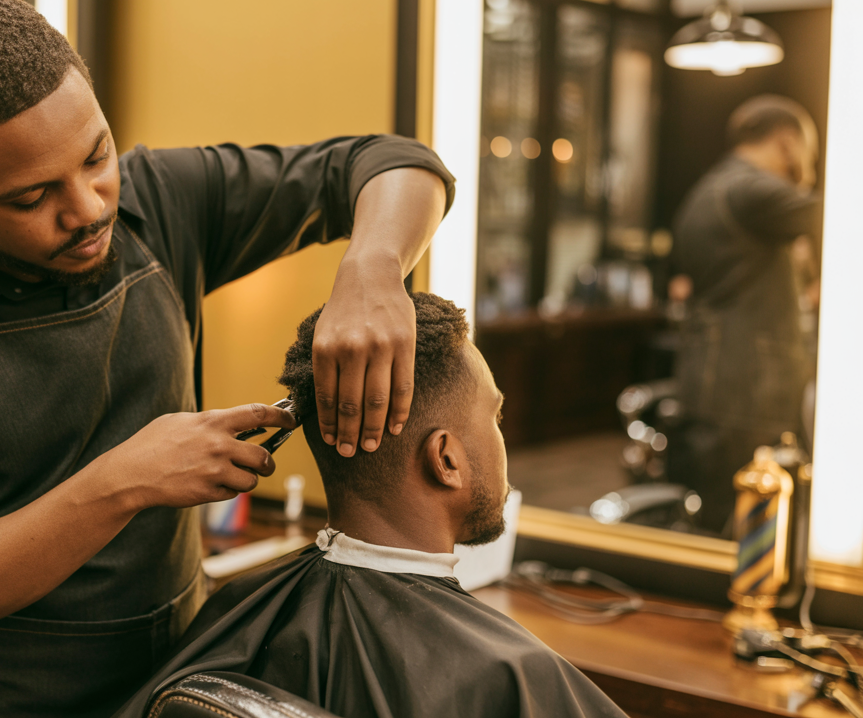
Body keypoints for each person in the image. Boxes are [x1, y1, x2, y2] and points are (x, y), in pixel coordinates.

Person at [0, 0, 455, 717]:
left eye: (96, 156)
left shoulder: (162, 200)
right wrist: (126, 480)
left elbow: (394, 163)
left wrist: (371, 269)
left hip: (175, 685)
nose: (88, 208)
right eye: (31, 198)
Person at [115, 293, 628, 718]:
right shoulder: (516, 674)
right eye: (495, 414)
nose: (501, 432)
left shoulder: (235, 611)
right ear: (446, 459)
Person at [669, 95, 821, 534]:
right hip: (749, 386)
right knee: (750, 526)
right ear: (787, 142)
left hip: (710, 377)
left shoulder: (708, 189)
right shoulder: (751, 188)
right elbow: (836, 214)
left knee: (719, 516)